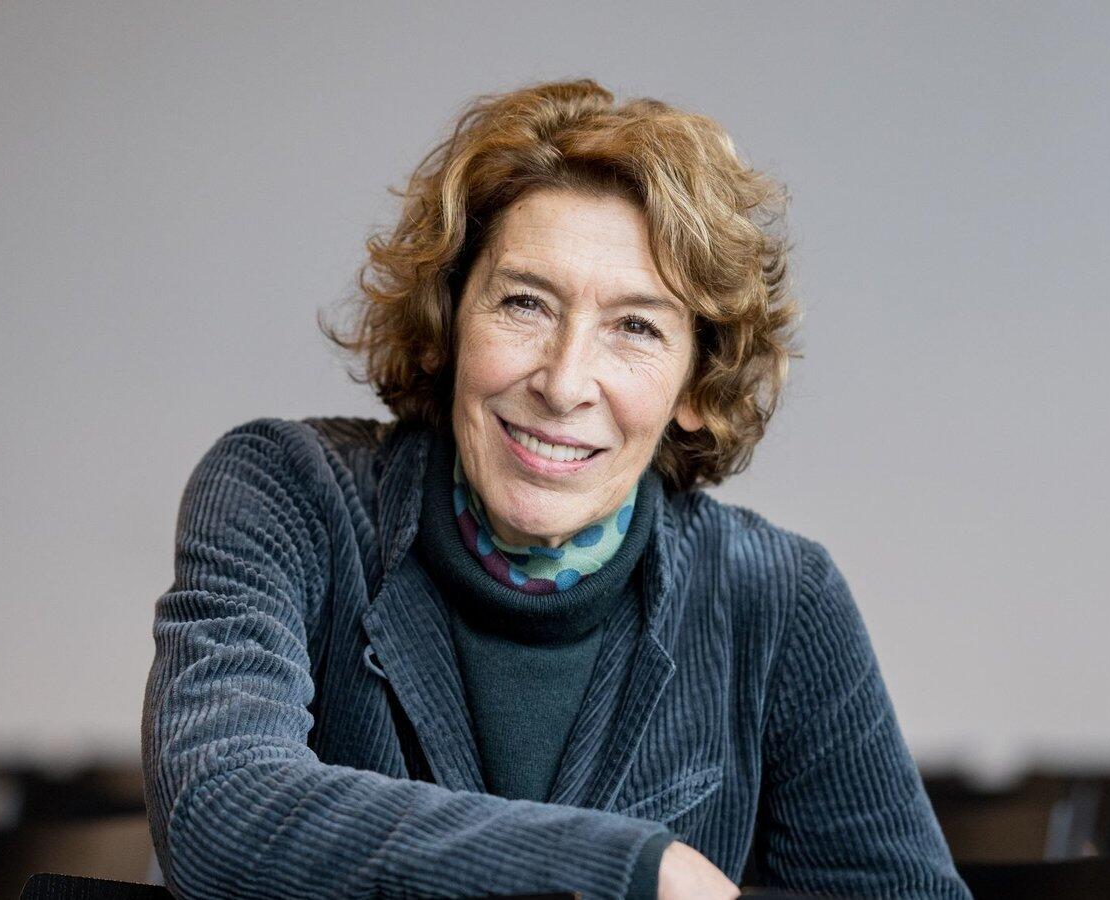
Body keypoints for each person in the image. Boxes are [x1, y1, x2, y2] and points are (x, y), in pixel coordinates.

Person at [141, 78, 971, 900]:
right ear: (448, 321)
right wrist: (628, 867)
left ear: (695, 384)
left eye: (635, 326)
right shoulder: (287, 493)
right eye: (525, 304)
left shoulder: (779, 598)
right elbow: (219, 813)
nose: (565, 382)